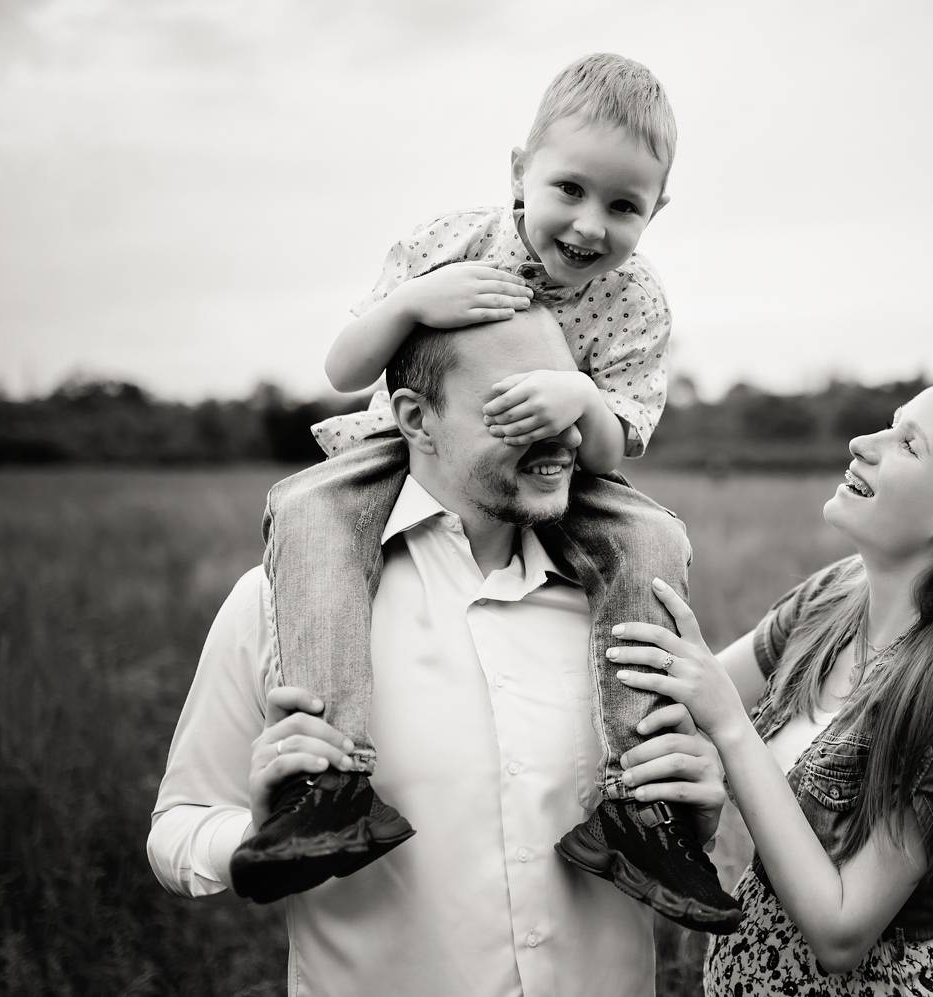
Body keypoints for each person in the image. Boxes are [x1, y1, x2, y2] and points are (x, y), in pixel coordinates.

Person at [231, 51, 740, 931]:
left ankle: (640, 805)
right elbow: (344, 367)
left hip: (565, 471)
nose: (590, 226)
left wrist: (579, 397)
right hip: (408, 444)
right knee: (308, 508)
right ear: (518, 173)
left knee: (653, 539)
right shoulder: (453, 244)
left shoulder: (636, 300)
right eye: (569, 189)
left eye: (624, 206)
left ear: (657, 210)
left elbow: (616, 447)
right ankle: (329, 780)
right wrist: (415, 302)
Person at [148, 307, 731, 996]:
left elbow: (680, 813)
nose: (565, 432)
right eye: (517, 404)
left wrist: (696, 813)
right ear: (416, 419)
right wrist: (259, 835)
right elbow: (177, 831)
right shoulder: (281, 604)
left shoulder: (637, 608)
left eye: (570, 398)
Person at [606, 378, 933, 995]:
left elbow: (841, 932)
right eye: (891, 423)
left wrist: (728, 732)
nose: (862, 442)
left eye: (909, 444)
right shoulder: (833, 596)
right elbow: (683, 703)